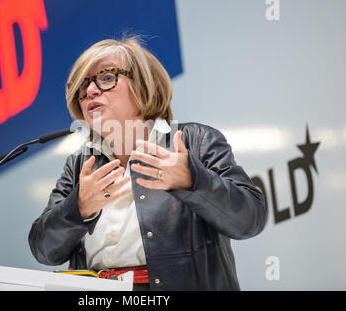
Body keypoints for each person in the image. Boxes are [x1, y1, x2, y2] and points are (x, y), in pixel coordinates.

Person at [28, 37, 267, 291]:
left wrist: (193, 180)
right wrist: (78, 208)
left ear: (143, 85)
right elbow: (43, 250)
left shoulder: (195, 142)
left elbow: (250, 219)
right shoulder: (79, 165)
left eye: (107, 77)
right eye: (82, 85)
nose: (90, 91)